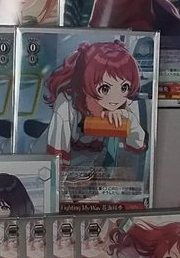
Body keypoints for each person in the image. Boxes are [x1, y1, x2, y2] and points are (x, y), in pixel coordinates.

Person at [42, 40, 147, 171]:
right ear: (85, 81)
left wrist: (128, 119)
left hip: (87, 168)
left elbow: (137, 146)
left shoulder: (124, 105)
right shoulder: (67, 103)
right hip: (46, 163)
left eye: (124, 87)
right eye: (105, 88)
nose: (116, 98)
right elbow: (57, 157)